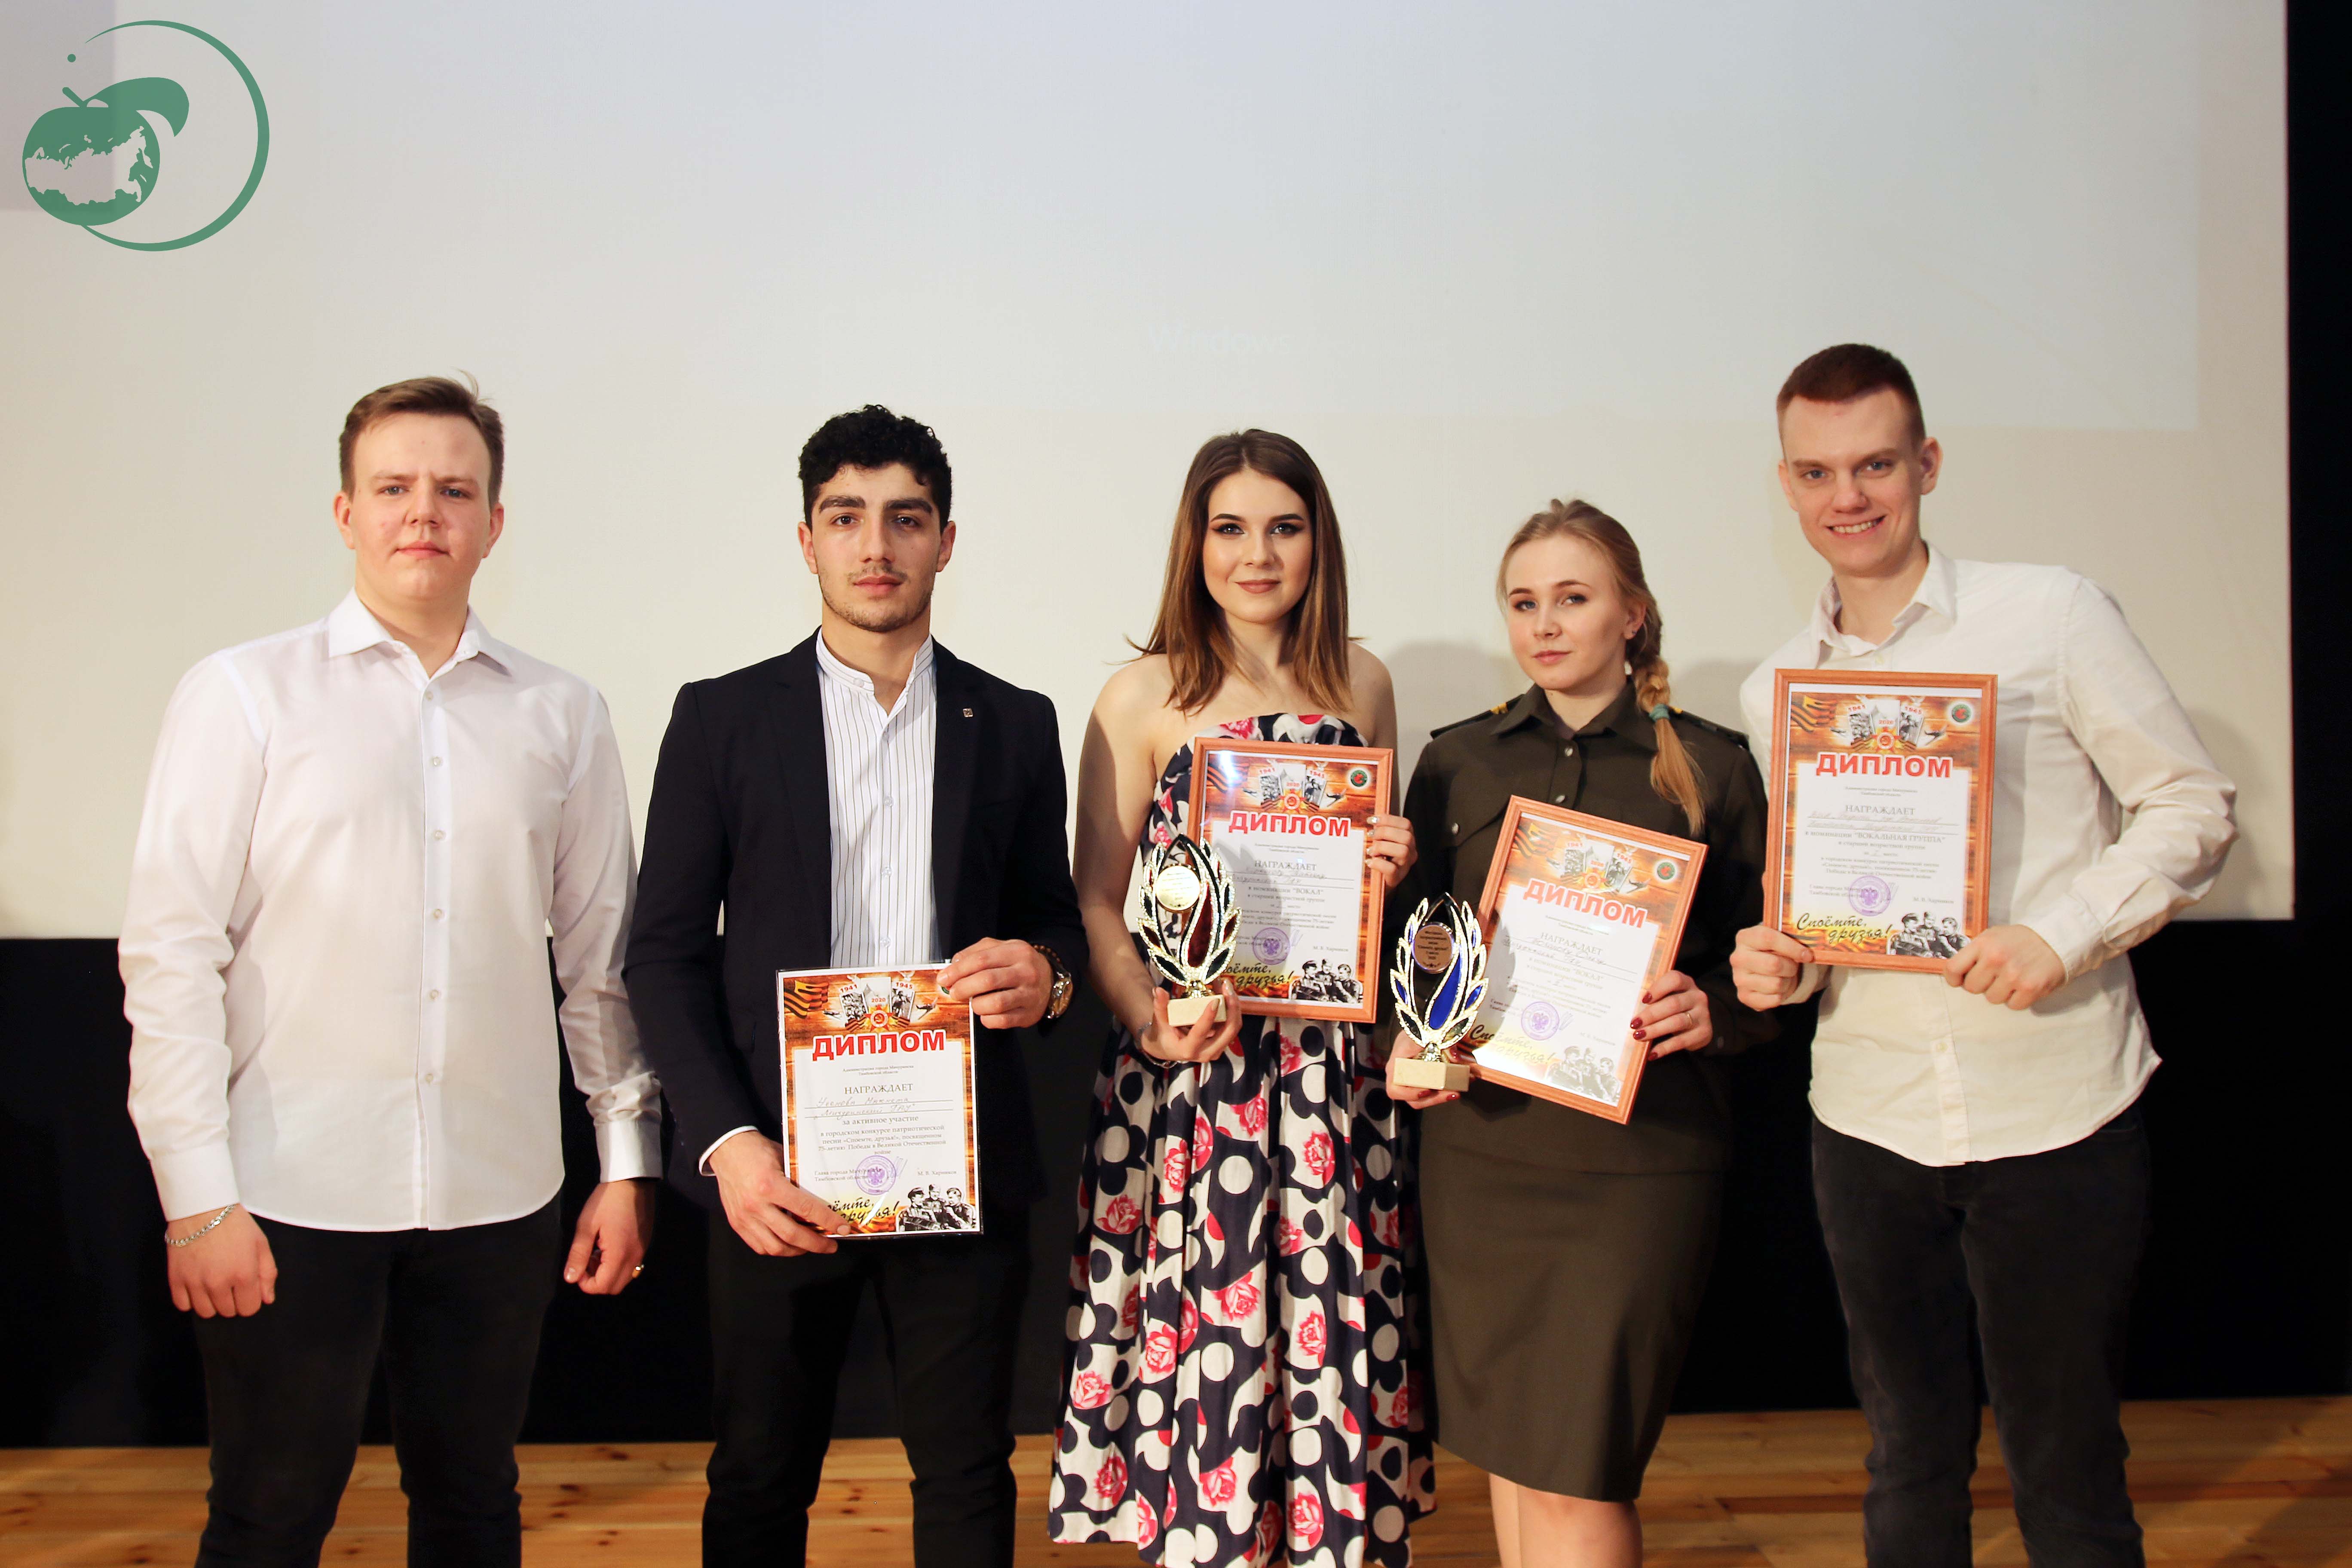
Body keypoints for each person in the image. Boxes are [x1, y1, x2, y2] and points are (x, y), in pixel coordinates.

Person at [119, 376, 662, 1566]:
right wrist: (196, 1197)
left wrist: (625, 1162)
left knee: (474, 1507)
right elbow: (172, 954)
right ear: (346, 512)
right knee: (268, 1517)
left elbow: (600, 963)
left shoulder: (563, 714)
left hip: (499, 1194)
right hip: (287, 1191)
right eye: (395, 487)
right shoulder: (242, 694)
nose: (425, 512)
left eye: (455, 490)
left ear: (494, 523)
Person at [1731, 344, 2237, 1568]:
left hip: (2055, 1106)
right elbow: (1821, 908)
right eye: (1817, 472)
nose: (1848, 496)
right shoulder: (1777, 688)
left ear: (1928, 464)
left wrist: (2061, 937)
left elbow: (2190, 806)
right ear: (1787, 486)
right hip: (1869, 1117)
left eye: (1875, 465)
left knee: (2068, 1470)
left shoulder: (2051, 615)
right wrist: (1783, 962)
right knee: (1906, 1461)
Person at [626, 404, 1088, 1568]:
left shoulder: (1015, 722)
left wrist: (1048, 977)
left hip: (959, 1163)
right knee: (759, 1472)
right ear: (806, 540)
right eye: (846, 518)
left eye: (905, 519)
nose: (875, 545)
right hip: (774, 1167)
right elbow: (662, 954)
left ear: (946, 541)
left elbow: (1052, 922)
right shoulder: (721, 718)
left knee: (968, 1472)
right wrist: (728, 1146)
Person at [1050, 431, 1430, 1565]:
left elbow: (1364, 904)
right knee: (1208, 1340)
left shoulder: (1363, 683)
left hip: (1330, 1081)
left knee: (1330, 1333)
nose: (1257, 555)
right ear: (1194, 542)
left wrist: (1390, 864)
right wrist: (1149, 1020)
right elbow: (1096, 898)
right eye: (1230, 528)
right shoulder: (1142, 696)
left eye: (1284, 527)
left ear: (1319, 541)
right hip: (1196, 1079)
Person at [1386, 499, 1776, 1568]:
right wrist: (1409, 1043)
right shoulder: (1458, 760)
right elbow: (1419, 945)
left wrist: (1717, 1008)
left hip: (1637, 1167)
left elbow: (1774, 968)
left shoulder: (1713, 768)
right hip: (1482, 1156)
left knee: (1579, 1469)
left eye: (1573, 598)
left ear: (1632, 614)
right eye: (1524, 603)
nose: (1546, 624)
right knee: (1517, 1464)